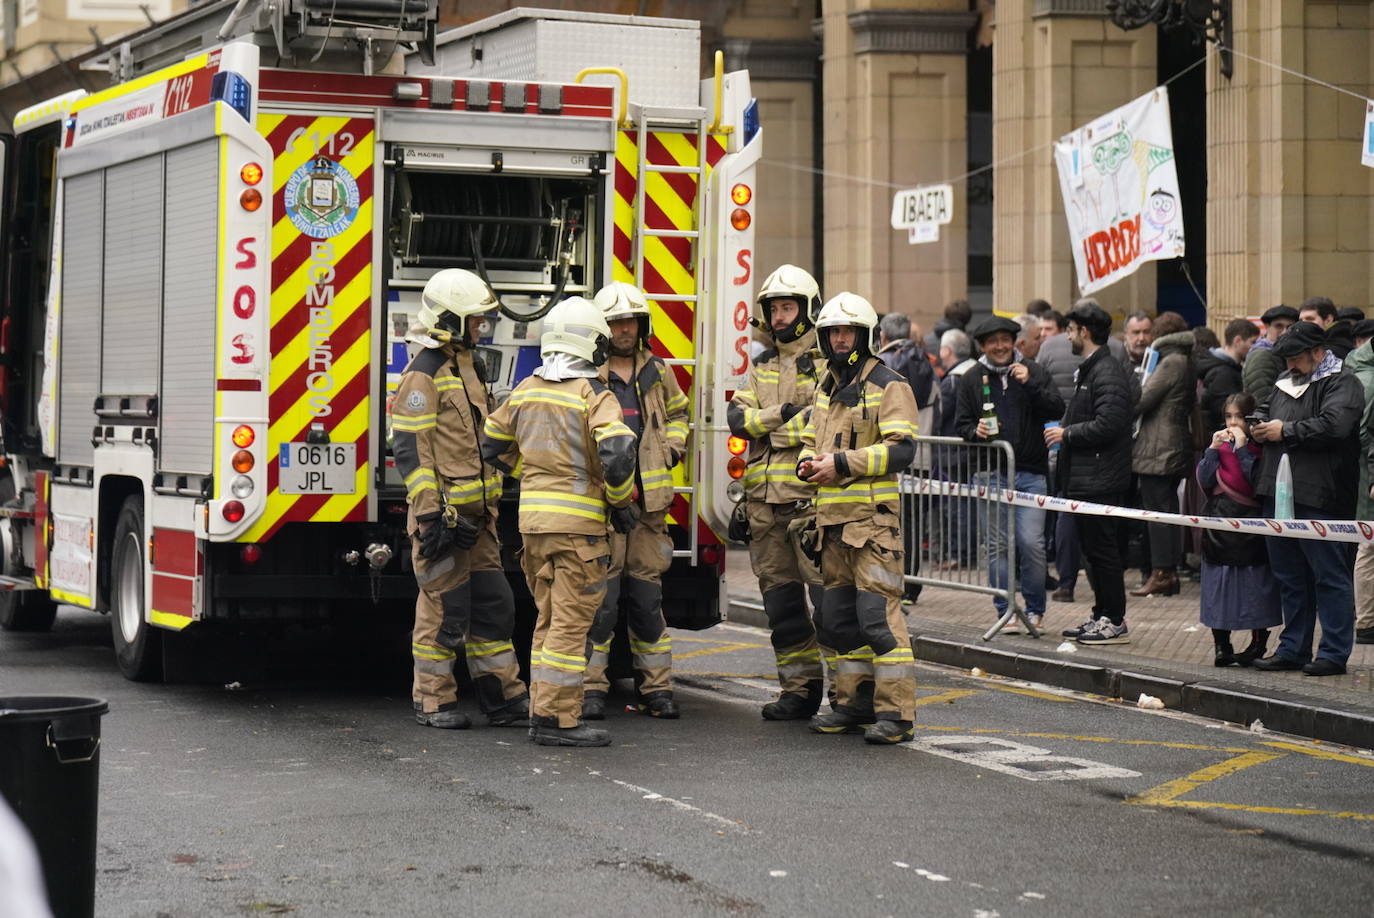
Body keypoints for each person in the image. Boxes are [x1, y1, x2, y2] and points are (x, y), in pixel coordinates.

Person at [481, 296, 638, 746]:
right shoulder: (593, 393)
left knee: (547, 621)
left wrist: (530, 473)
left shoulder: (526, 389)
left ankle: (541, 710)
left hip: (533, 529)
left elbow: (492, 444)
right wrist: (619, 499)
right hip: (580, 534)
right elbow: (618, 450)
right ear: (591, 345)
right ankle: (558, 722)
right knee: (571, 626)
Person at [390, 269, 529, 730]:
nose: (480, 328)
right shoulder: (423, 374)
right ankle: (433, 701)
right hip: (444, 520)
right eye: (474, 321)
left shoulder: (466, 364)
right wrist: (431, 514)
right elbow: (411, 449)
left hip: (480, 519)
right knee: (446, 611)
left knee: (493, 604)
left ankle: (503, 699)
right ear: (448, 319)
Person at [799, 292, 920, 744]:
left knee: (877, 619)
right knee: (837, 621)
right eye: (832, 332)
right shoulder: (826, 385)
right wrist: (807, 464)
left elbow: (903, 448)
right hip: (831, 525)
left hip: (873, 526)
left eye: (847, 332)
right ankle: (852, 705)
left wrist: (844, 463)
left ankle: (897, 716)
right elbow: (814, 442)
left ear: (866, 336)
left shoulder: (890, 383)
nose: (839, 339)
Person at [582, 282, 690, 721]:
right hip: (605, 511)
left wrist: (672, 449)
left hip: (649, 511)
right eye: (615, 322)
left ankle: (657, 690)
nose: (624, 329)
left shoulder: (658, 371)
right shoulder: (588, 376)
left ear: (641, 325)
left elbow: (680, 413)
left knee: (647, 603)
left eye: (630, 321)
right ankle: (590, 690)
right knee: (600, 606)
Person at [727, 264, 828, 719]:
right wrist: (784, 415)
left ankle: (850, 697)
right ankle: (799, 690)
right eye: (776, 308)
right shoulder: (763, 364)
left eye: (789, 307)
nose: (781, 316)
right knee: (782, 609)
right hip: (764, 507)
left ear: (807, 309)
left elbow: (824, 425)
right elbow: (737, 421)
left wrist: (772, 425)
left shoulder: (830, 363)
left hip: (811, 506)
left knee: (831, 608)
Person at [1250, 321, 1363, 676]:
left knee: (1329, 575)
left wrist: (1286, 430)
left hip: (1322, 493)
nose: (1290, 366)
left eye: (1296, 359)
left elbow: (1335, 426)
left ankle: (1332, 652)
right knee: (1290, 575)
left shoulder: (1343, 382)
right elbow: (1266, 408)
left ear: (1318, 353)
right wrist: (1258, 423)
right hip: (1278, 490)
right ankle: (1293, 647)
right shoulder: (1287, 381)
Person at [955, 315, 1064, 631]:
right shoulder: (971, 378)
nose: (1000, 346)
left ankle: (1034, 610)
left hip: (1031, 473)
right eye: (993, 342)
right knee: (998, 546)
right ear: (983, 346)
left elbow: (1055, 408)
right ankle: (1005, 609)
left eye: (1005, 340)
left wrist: (1029, 383)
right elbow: (960, 423)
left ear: (1015, 342)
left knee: (1031, 543)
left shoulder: (1034, 371)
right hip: (991, 474)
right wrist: (974, 431)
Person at [1046, 302, 1134, 644]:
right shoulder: (1092, 369)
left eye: (1070, 330)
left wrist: (1067, 433)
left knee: (1103, 552)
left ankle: (1114, 619)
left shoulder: (1106, 371)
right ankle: (1101, 614)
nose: (1067, 335)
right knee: (1093, 553)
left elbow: (1109, 424)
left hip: (1100, 478)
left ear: (1084, 331)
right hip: (1087, 477)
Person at [1196, 392, 1282, 666]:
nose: (1233, 423)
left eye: (1239, 417)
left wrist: (1244, 449)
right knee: (1218, 589)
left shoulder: (1261, 451)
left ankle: (1258, 643)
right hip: (1219, 526)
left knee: (1255, 588)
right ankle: (1222, 645)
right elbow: (1205, 480)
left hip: (1250, 526)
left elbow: (1255, 485)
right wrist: (1211, 450)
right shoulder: (1220, 448)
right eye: (1228, 416)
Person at [1129, 314, 1195, 597]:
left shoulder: (1170, 361)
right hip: (1171, 443)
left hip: (1160, 446)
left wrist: (1131, 387)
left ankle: (1163, 573)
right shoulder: (1184, 360)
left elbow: (1142, 400)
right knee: (1164, 510)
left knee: (1158, 513)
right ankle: (1166, 573)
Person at [935, 329, 978, 570]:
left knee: (956, 505)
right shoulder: (974, 371)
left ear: (947, 350)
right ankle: (967, 552)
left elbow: (943, 414)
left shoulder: (953, 379)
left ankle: (959, 553)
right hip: (969, 450)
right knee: (968, 502)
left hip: (953, 452)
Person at [1342, 335, 1374, 646]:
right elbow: (1365, 431)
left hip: (1365, 472)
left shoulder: (1357, 373)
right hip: (1370, 474)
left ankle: (1366, 620)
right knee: (1369, 546)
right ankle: (1366, 622)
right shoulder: (1370, 379)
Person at [1197, 318, 1259, 432]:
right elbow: (1222, 411)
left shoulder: (1222, 366)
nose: (1255, 347)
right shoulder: (1224, 373)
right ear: (1237, 340)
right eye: (1253, 342)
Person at [1243, 304, 1299, 402]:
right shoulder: (1262, 356)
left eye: (1290, 327)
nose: (1284, 332)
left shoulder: (1283, 354)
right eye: (1279, 326)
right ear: (1267, 327)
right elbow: (1262, 397)